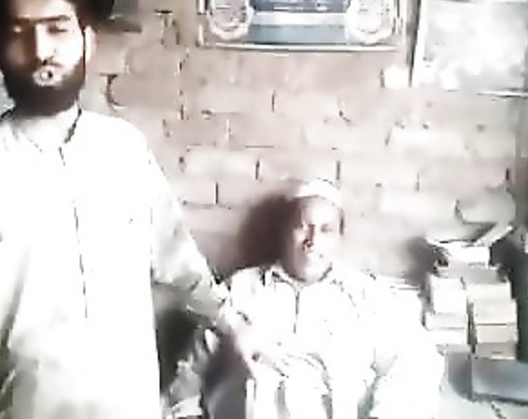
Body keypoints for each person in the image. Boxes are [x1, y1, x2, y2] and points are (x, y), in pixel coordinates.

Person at [0, 0, 253, 418]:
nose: (40, 50)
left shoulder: (125, 150)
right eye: (20, 32)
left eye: (57, 29)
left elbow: (181, 265)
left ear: (87, 40)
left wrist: (234, 326)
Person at [164, 179, 445, 419]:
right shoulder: (242, 288)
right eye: (302, 227)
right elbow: (192, 369)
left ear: (339, 239)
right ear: (284, 234)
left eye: (326, 230)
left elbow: (416, 359)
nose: (312, 241)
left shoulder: (365, 294)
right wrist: (186, 412)